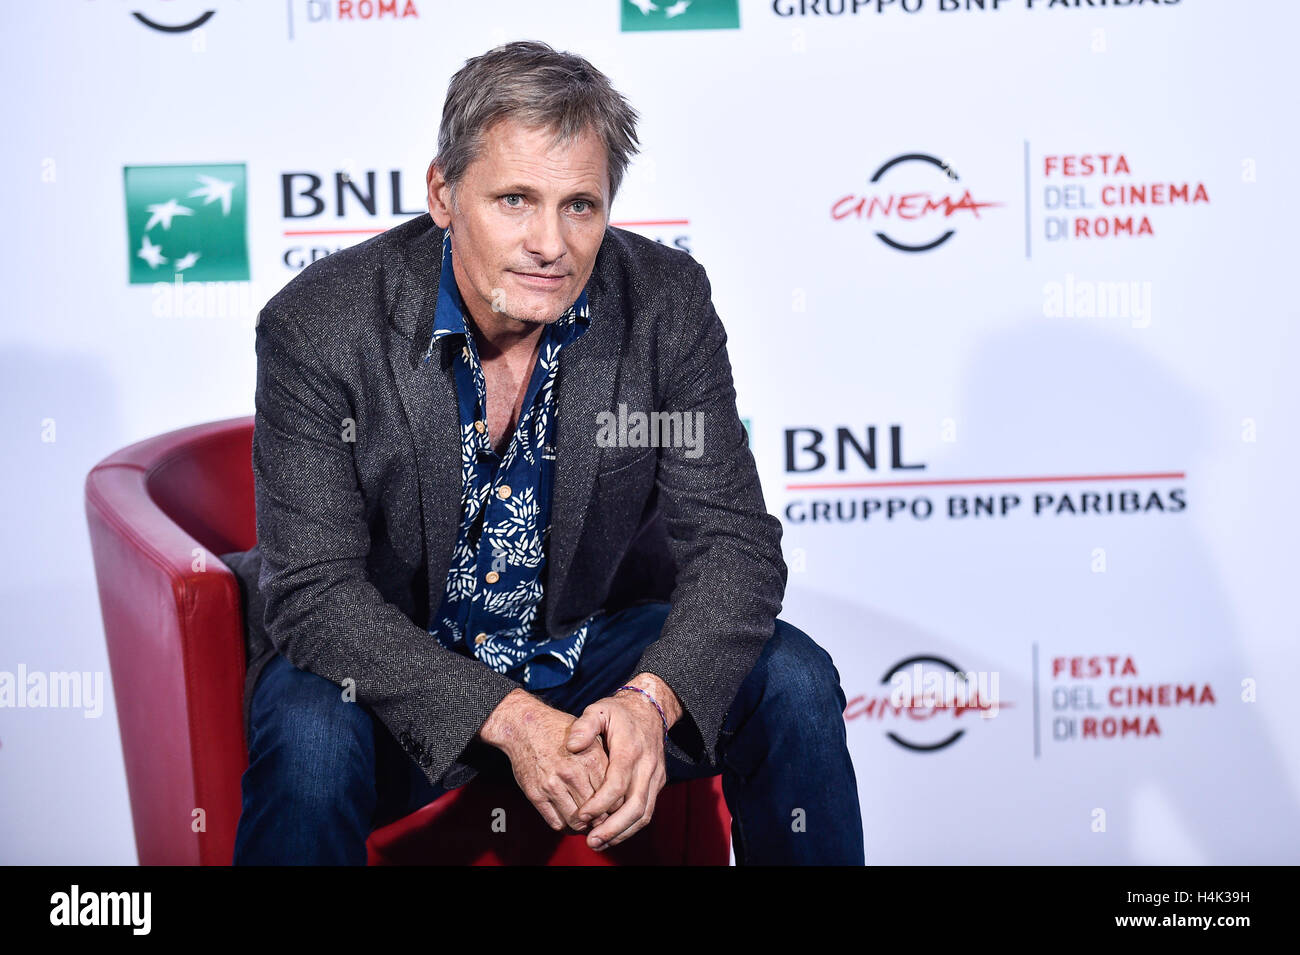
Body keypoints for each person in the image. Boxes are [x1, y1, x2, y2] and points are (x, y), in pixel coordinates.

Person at [228, 39, 864, 865]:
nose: (550, 244)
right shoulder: (321, 324)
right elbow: (315, 594)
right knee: (311, 727)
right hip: (397, 673)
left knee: (795, 677)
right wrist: (506, 714)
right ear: (442, 193)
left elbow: (736, 547)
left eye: (580, 206)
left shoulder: (665, 304)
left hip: (581, 651)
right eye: (515, 200)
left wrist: (648, 700)